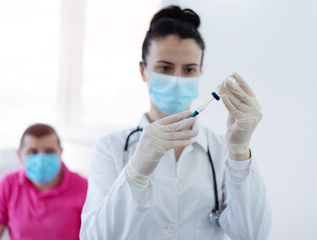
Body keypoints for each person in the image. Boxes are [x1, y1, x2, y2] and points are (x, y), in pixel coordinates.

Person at [80, 5, 271, 240]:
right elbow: (95, 237)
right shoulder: (111, 147)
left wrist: (240, 150)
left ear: (200, 72)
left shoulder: (221, 150)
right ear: (143, 70)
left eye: (189, 69)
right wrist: (137, 171)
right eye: (164, 67)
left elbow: (253, 235)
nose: (177, 79)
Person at [0, 124, 88, 240]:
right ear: (20, 155)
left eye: (49, 151)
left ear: (60, 153)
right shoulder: (7, 185)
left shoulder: (84, 187)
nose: (41, 158)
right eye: (33, 152)